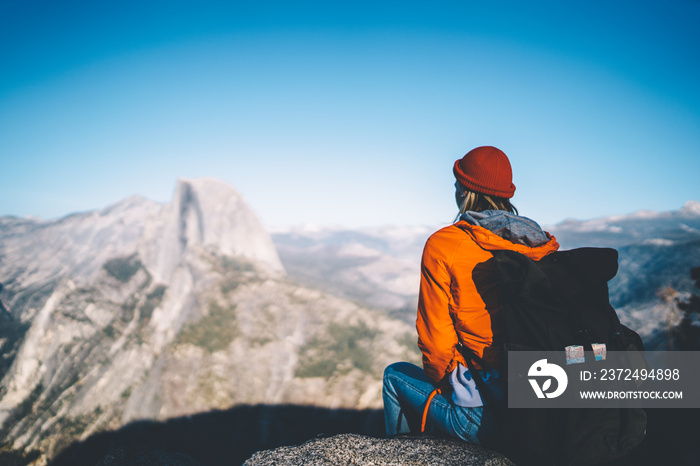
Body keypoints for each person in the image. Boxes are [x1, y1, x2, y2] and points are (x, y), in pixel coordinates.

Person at [382, 146, 559, 445]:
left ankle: (403, 454)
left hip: (484, 415)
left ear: (465, 191)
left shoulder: (445, 244)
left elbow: (435, 342)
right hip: (541, 405)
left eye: (456, 184)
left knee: (394, 375)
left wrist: (452, 387)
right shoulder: (540, 243)